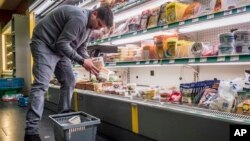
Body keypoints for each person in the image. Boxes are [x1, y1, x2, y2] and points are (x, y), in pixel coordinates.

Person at [24, 5, 113, 141]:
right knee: (41, 84)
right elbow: (62, 43)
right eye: (99, 24)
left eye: (101, 27)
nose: (98, 28)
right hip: (44, 43)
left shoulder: (89, 27)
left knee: (70, 80)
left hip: (59, 48)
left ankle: (63, 118)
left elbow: (81, 47)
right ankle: (31, 131)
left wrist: (91, 63)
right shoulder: (79, 18)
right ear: (94, 14)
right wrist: (82, 61)